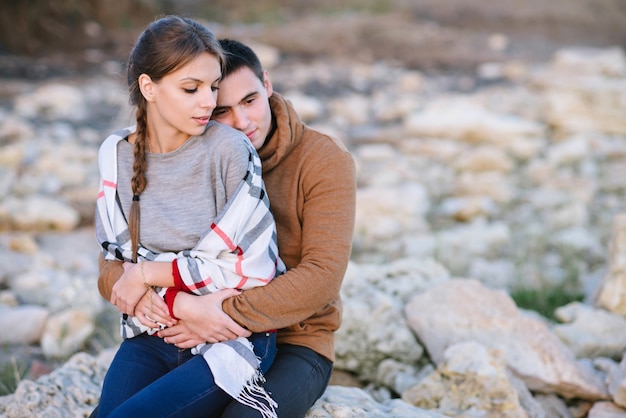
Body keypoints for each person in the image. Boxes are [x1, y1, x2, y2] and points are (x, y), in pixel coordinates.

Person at [97, 38, 357, 417]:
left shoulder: (322, 160)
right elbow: (114, 267)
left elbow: (321, 278)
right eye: (222, 110)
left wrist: (217, 314)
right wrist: (183, 307)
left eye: (250, 100)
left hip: (296, 340)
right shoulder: (189, 153)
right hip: (183, 328)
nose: (242, 121)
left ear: (267, 85)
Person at [94, 16, 284, 418]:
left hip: (231, 335)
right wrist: (179, 302)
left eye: (213, 87)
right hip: (152, 332)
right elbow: (115, 264)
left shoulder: (231, 151)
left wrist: (149, 275)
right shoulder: (115, 154)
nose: (208, 102)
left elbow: (248, 269)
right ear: (149, 87)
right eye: (191, 88)